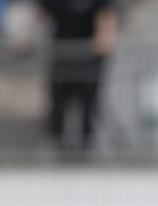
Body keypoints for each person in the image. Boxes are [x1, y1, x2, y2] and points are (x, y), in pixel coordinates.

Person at [37, 0, 118, 153]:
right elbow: (41, 14)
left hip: (89, 59)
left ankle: (86, 149)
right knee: (58, 104)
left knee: (88, 104)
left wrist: (104, 38)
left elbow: (107, 20)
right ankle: (57, 147)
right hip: (61, 56)